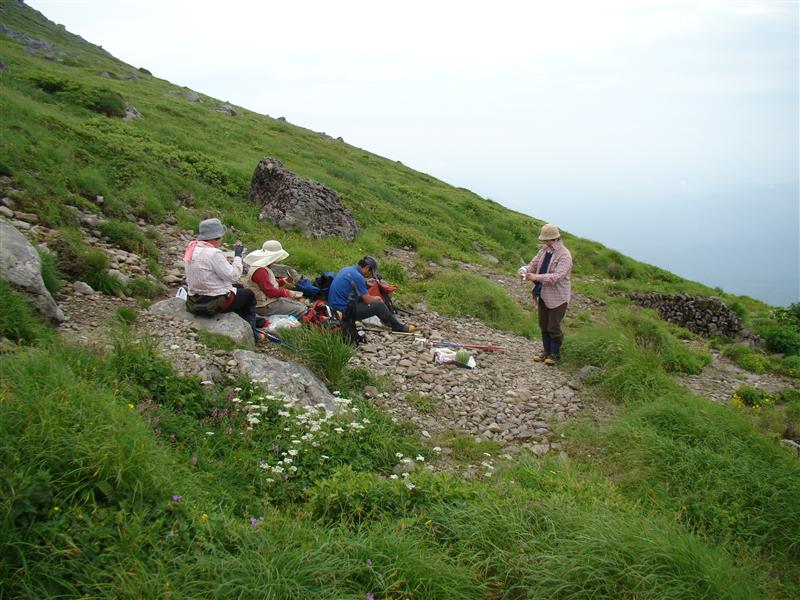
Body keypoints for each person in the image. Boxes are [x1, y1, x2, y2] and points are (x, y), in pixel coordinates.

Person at [183, 218, 260, 338]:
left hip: (194, 299)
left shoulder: (192, 248)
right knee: (249, 295)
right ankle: (252, 332)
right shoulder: (213, 253)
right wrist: (238, 256)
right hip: (211, 302)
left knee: (239, 288)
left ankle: (243, 321)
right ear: (215, 238)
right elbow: (233, 276)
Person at [519, 223, 573, 365]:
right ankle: (546, 352)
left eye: (546, 240)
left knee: (553, 326)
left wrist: (537, 277)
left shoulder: (565, 255)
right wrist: (524, 270)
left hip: (558, 297)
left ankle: (555, 354)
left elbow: (557, 277)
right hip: (542, 292)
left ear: (554, 239)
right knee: (543, 324)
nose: (543, 242)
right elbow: (533, 264)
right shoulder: (544, 250)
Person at [327, 256, 415, 333]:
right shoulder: (358, 277)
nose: (369, 275)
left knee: (360, 300)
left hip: (333, 309)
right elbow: (367, 300)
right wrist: (377, 298)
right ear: (367, 267)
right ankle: (397, 327)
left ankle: (356, 321)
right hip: (343, 311)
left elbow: (352, 291)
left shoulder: (347, 269)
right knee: (378, 305)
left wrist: (365, 284)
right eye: (370, 272)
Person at [243, 240, 306, 317]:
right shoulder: (260, 271)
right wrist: (287, 293)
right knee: (300, 309)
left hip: (268, 301)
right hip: (263, 306)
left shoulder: (262, 267)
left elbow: (268, 284)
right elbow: (270, 292)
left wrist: (283, 281)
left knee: (300, 305)